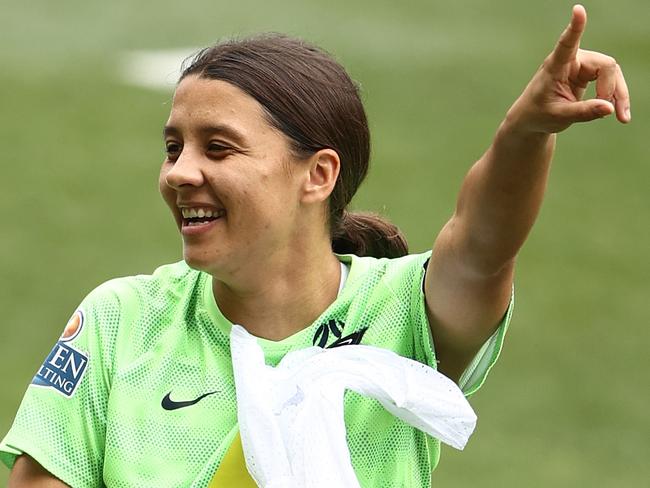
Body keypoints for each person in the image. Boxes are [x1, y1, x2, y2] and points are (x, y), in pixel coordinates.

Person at [1, 4, 630, 487]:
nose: (178, 173)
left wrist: (526, 131)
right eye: (173, 147)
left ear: (318, 175)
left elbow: (485, 241)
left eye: (217, 148)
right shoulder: (119, 322)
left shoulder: (401, 316)